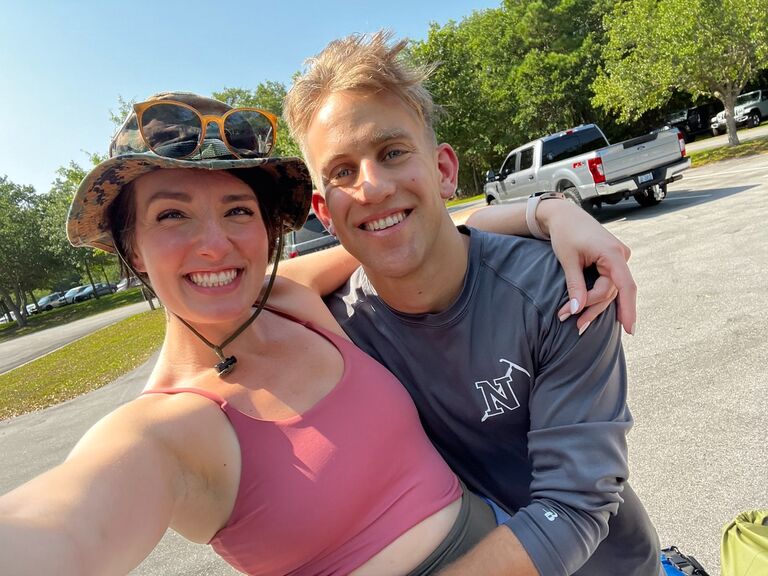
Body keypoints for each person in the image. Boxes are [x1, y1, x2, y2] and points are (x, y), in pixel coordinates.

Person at [0, 92, 631, 576]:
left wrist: (546, 210)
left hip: (521, 547)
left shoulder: (290, 298)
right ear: (132, 250)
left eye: (237, 211)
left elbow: (404, 225)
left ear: (268, 232)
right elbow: (64, 525)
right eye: (172, 215)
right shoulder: (162, 430)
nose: (214, 242)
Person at [282, 31, 662, 575]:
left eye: (392, 153)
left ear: (443, 169)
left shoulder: (560, 289)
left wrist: (542, 214)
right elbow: (242, 300)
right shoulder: (337, 329)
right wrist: (543, 211)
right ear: (324, 210)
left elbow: (574, 506)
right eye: (342, 171)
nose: (372, 186)